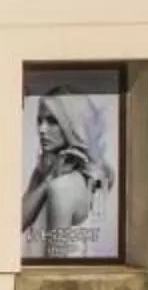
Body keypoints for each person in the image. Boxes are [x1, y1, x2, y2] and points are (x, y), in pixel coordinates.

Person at [22, 97, 116, 259]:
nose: (42, 129)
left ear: (71, 123)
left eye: (52, 121)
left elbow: (55, 264)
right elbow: (16, 225)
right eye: (40, 120)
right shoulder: (45, 170)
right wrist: (47, 179)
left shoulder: (64, 187)